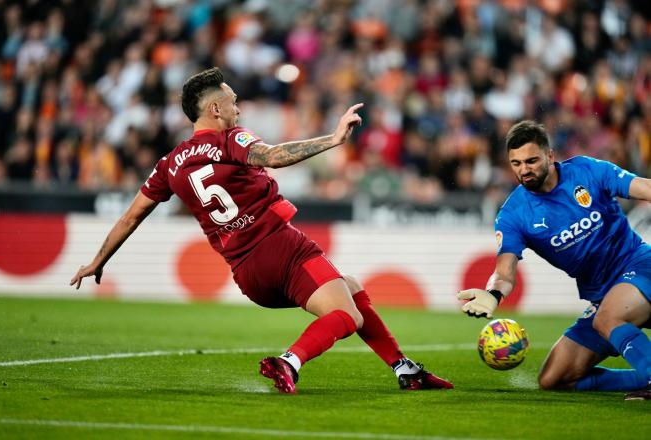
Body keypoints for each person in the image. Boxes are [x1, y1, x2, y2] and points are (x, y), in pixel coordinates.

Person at [70, 67, 453, 394]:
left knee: (349, 288)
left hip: (248, 275)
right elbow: (272, 156)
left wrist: (97, 261)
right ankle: (290, 361)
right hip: (282, 246)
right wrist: (333, 140)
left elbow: (130, 217)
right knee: (347, 316)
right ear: (215, 109)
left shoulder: (169, 164)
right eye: (233, 101)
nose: (238, 108)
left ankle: (405, 369)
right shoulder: (229, 139)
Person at [457, 120, 651, 400]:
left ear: (549, 155)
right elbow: (505, 269)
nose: (524, 169)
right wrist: (494, 294)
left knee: (609, 317)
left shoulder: (587, 170)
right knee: (555, 378)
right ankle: (639, 376)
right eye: (516, 163)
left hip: (639, 266)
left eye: (532, 160)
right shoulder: (514, 214)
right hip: (602, 297)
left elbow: (643, 187)